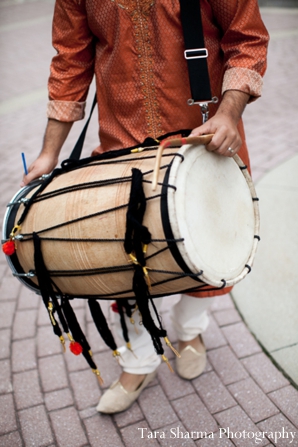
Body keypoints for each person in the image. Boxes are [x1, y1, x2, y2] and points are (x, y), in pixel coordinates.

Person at [21, 0, 269, 413]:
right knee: (125, 256)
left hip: (204, 134)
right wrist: (50, 152)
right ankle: (140, 355)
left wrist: (229, 112)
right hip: (122, 141)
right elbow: (70, 61)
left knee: (211, 244)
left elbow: (247, 40)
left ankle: (189, 329)